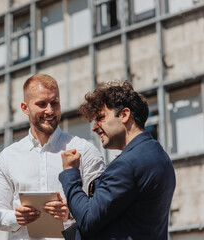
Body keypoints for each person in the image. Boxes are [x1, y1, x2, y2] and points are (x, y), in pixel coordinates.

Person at [0, 74, 105, 239]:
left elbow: (102, 208)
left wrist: (70, 214)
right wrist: (16, 217)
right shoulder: (8, 157)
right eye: (42, 104)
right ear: (25, 108)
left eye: (54, 103)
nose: (50, 111)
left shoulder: (84, 150)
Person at [59, 81, 176, 240]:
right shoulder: (159, 155)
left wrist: (70, 173)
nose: (94, 127)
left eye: (101, 117)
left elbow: (88, 219)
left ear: (124, 115)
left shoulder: (127, 164)